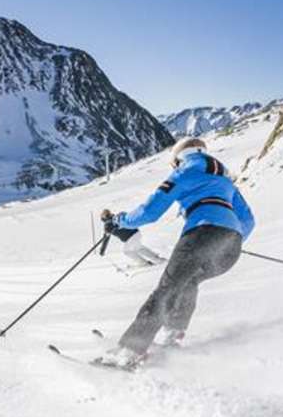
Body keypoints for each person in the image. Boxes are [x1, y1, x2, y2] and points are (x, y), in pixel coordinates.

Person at [97, 136, 255, 369]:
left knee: (167, 289)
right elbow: (248, 221)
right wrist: (227, 236)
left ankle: (129, 351)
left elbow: (150, 212)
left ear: (178, 159)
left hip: (201, 235)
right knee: (188, 282)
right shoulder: (225, 181)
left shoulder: (184, 172)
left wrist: (120, 221)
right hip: (230, 248)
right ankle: (173, 335)